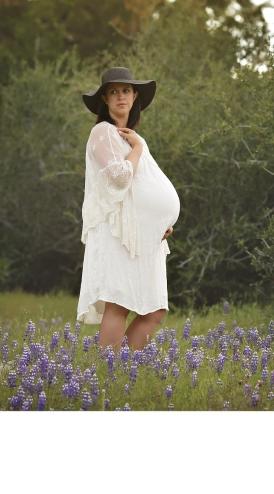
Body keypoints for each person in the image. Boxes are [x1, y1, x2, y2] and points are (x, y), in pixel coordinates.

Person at [78, 66, 180, 351]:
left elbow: (143, 187)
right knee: (119, 303)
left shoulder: (129, 136)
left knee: (154, 310)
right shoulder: (103, 132)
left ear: (135, 96)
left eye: (125, 90)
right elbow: (119, 178)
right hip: (119, 234)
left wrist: (162, 221)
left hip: (146, 236)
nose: (120, 96)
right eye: (113, 92)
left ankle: (124, 369)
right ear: (105, 100)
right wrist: (137, 148)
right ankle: (111, 374)